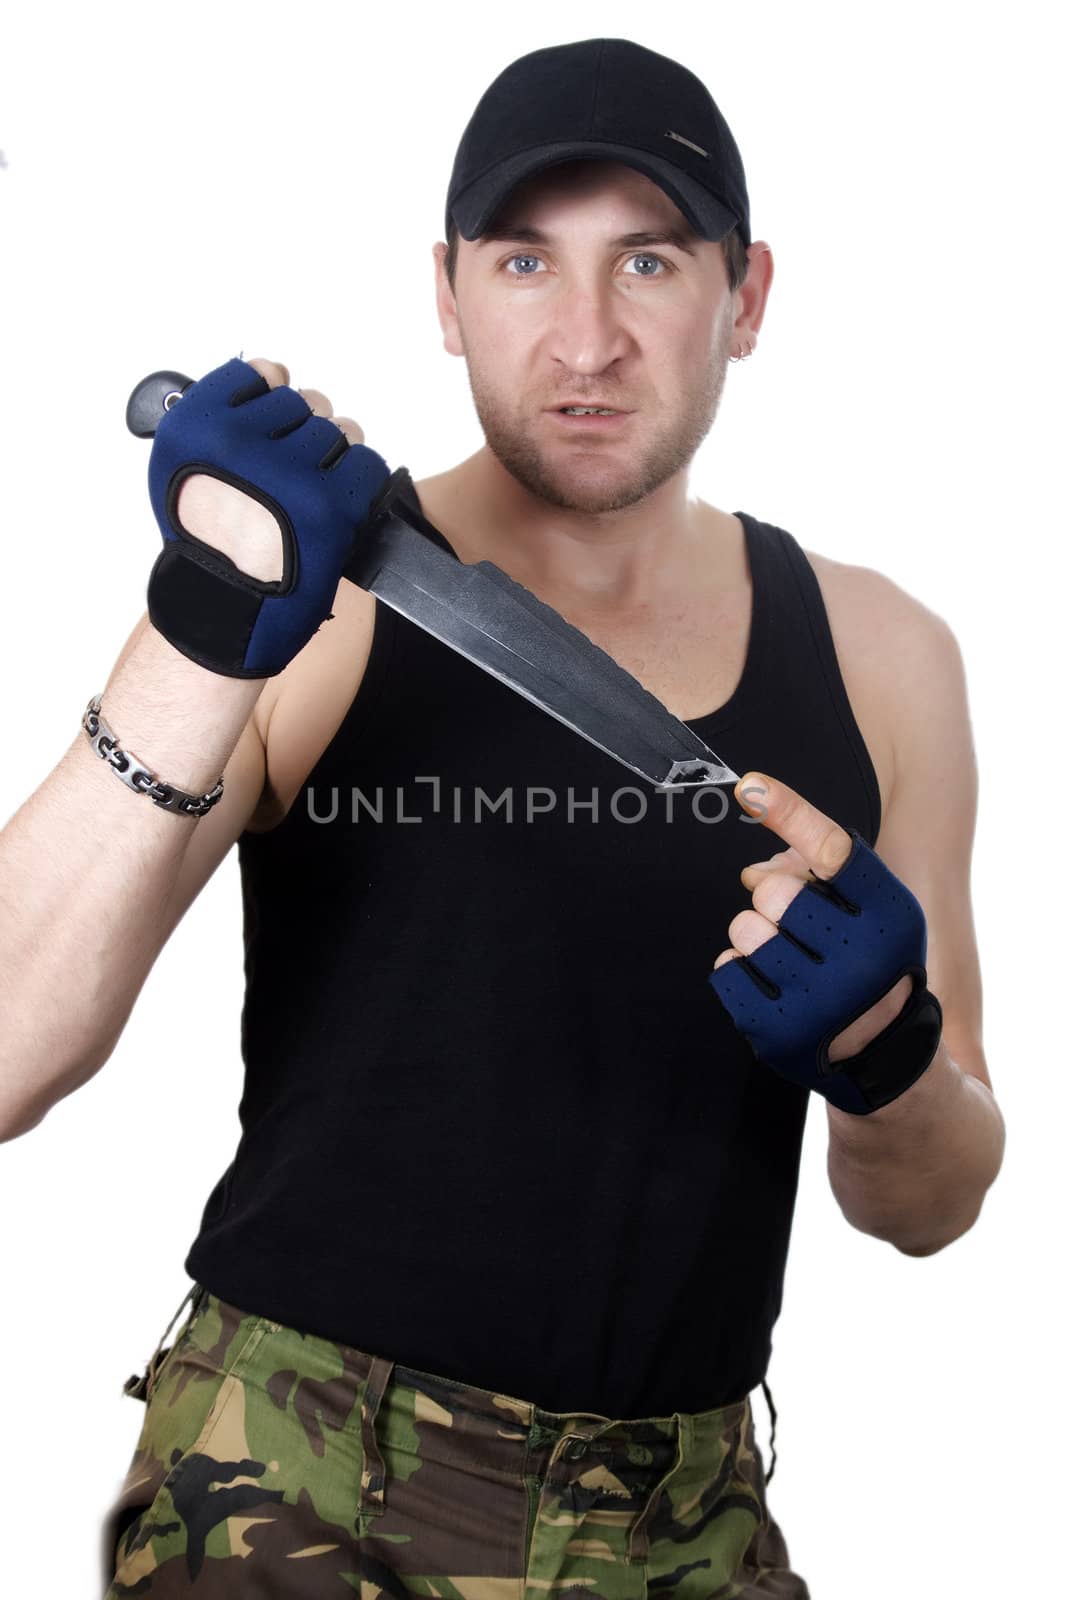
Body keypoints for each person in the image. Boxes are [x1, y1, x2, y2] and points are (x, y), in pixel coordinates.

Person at [0, 36, 1004, 1599]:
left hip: (690, 1522)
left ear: (745, 300)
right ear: (448, 293)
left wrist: (886, 1055)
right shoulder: (313, 595)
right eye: (527, 260)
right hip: (298, 1479)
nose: (587, 339)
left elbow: (934, 1203)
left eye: (650, 261)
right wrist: (200, 623)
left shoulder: (885, 659)